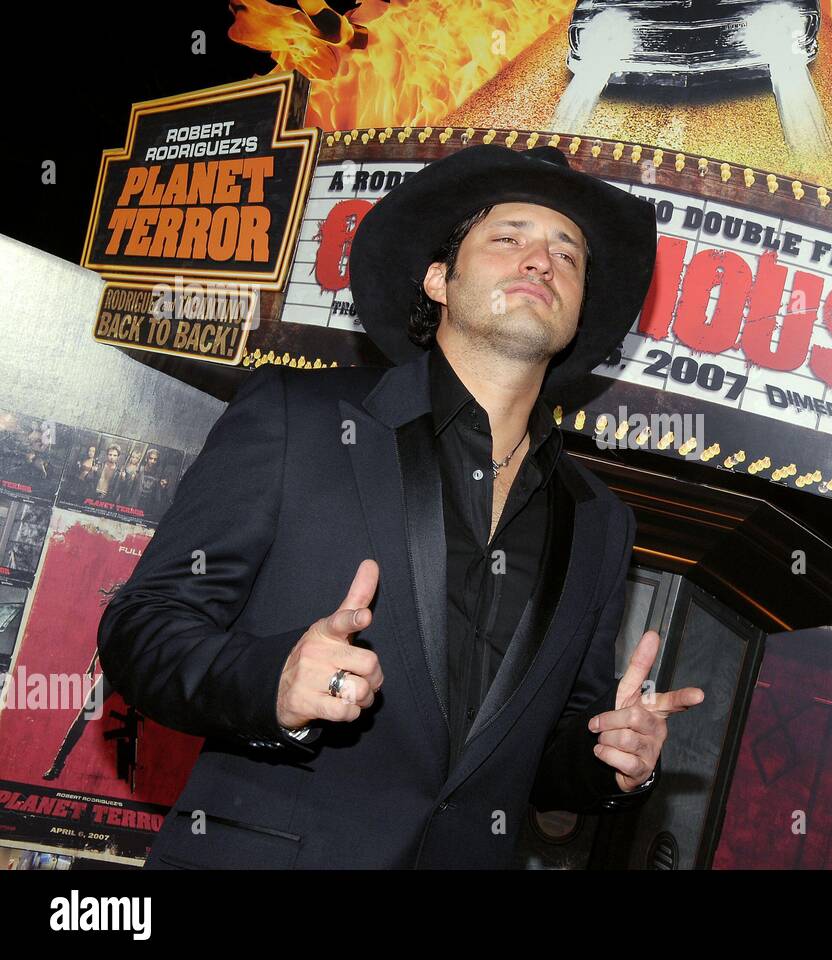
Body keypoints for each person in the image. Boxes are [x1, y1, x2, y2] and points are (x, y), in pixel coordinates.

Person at [97, 143, 705, 869]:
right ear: (439, 279)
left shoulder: (601, 521)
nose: (541, 261)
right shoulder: (299, 418)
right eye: (508, 238)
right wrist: (274, 683)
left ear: (578, 316)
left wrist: (610, 759)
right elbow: (143, 626)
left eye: (567, 255)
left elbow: (538, 752)